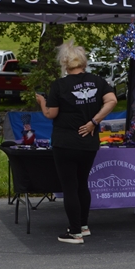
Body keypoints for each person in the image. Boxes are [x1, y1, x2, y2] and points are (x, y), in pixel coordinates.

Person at [35, 40, 117, 244]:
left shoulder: (60, 85)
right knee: (83, 183)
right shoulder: (97, 81)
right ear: (84, 62)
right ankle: (83, 224)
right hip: (88, 142)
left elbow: (51, 113)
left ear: (64, 63)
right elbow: (112, 100)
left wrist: (42, 102)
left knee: (70, 186)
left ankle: (74, 232)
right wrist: (94, 121)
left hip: (65, 142)